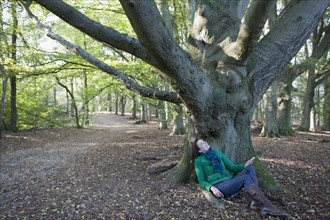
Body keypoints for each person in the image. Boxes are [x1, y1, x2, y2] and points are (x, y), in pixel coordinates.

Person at [192, 139, 288, 218]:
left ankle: (256, 202)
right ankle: (269, 206)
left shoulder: (217, 153)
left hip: (230, 181)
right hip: (219, 186)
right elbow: (201, 180)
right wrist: (212, 188)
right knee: (245, 178)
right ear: (200, 150)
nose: (205, 143)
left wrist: (244, 165)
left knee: (249, 168)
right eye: (202, 144)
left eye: (204, 141)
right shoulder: (198, 161)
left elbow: (232, 167)